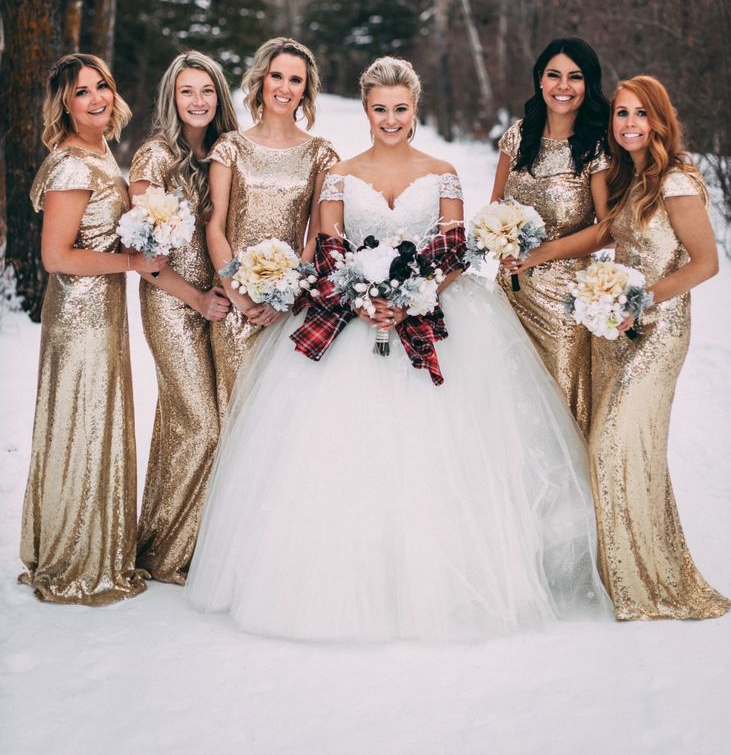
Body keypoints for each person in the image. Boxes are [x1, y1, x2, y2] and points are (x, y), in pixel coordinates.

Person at [186, 56, 611, 641]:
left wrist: (413, 296)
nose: (391, 119)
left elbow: (454, 249)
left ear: (415, 110)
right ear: (365, 110)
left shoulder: (442, 172)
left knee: (440, 451)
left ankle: (439, 580)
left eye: (401, 109)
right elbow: (329, 247)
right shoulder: (339, 173)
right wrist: (362, 298)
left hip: (430, 313)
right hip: (350, 317)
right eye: (380, 109)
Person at [20, 54, 163, 605]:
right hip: (78, 315)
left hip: (103, 308)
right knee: (83, 421)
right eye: (82, 92)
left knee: (99, 420)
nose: (98, 97)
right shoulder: (72, 164)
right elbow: (56, 256)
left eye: (102, 85)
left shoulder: (101, 151)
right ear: (65, 104)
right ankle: (75, 558)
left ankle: (97, 544)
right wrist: (132, 265)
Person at [588, 75, 731, 621]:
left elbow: (705, 263)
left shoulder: (676, 180)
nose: (628, 124)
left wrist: (641, 300)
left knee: (612, 445)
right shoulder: (635, 178)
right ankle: (631, 576)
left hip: (658, 330)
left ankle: (646, 584)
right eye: (621, 114)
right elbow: (610, 239)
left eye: (639, 114)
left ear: (659, 120)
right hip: (616, 328)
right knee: (628, 452)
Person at [130, 51, 238, 584]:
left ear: (220, 97)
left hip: (218, 300)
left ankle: (190, 541)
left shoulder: (224, 152)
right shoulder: (154, 158)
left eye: (207, 91)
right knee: (200, 424)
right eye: (187, 91)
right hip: (173, 303)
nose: (198, 101)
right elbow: (147, 259)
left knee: (197, 418)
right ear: (172, 99)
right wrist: (196, 300)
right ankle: (162, 554)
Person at [206, 36, 338, 416]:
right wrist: (237, 294)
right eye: (276, 76)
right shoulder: (230, 147)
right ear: (261, 80)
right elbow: (215, 225)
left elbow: (318, 232)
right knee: (234, 417)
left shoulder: (320, 154)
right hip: (234, 310)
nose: (284, 88)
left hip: (290, 309)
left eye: (295, 80)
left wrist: (290, 295)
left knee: (279, 421)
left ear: (305, 91)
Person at [492, 38, 609, 435]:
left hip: (564, 304)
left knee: (557, 412)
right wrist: (498, 240)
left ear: (588, 84)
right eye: (554, 74)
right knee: (510, 403)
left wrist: (543, 254)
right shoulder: (517, 136)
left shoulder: (597, 145)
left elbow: (609, 227)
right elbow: (495, 207)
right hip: (509, 294)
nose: (563, 85)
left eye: (575, 77)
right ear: (539, 81)